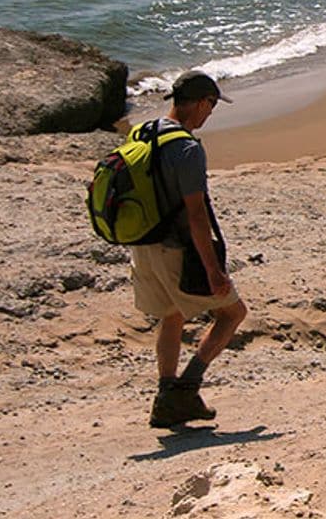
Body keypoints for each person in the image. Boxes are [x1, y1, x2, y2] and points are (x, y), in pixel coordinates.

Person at [131, 70, 248, 429]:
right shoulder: (186, 147)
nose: (210, 114)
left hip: (142, 247)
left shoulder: (142, 133)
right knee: (232, 313)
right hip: (174, 249)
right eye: (211, 106)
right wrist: (213, 270)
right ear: (200, 103)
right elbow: (196, 214)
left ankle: (166, 397)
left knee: (171, 315)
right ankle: (187, 387)